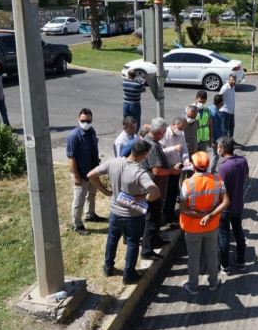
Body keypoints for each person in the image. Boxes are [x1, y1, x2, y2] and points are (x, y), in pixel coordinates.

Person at [89, 138, 161, 284]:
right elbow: (156, 193)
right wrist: (143, 197)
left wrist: (105, 191)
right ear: (144, 155)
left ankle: (108, 268)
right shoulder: (140, 173)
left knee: (112, 239)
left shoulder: (113, 162)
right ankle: (129, 275)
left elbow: (91, 175)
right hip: (133, 215)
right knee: (133, 243)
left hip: (115, 212)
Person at [179, 151, 230, 295]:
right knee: (212, 254)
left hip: (192, 228)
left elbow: (183, 209)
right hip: (212, 226)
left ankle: (193, 286)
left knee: (194, 257)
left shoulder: (187, 184)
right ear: (207, 165)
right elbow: (225, 201)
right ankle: (213, 282)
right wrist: (210, 215)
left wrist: (200, 215)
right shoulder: (218, 180)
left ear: (193, 166)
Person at [140, 117, 181, 260]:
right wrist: (171, 171)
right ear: (159, 132)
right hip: (153, 189)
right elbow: (157, 170)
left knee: (156, 219)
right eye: (163, 132)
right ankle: (147, 250)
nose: (164, 134)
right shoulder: (153, 146)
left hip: (154, 188)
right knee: (151, 220)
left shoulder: (147, 140)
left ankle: (156, 239)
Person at [66, 108, 105, 235]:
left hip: (92, 172)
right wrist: (76, 176)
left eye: (88, 120)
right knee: (79, 200)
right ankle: (77, 224)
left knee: (91, 194)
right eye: (83, 120)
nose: (85, 123)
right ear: (78, 120)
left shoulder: (91, 131)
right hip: (80, 174)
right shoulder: (74, 136)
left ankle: (90, 214)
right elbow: (71, 158)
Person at [217, 137, 249, 272]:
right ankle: (241, 261)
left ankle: (225, 265)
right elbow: (247, 177)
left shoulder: (223, 168)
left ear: (223, 149)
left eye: (219, 147)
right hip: (238, 205)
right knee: (238, 232)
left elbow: (220, 190)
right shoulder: (242, 161)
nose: (217, 149)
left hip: (225, 209)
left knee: (224, 237)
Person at [161, 117, 189, 226]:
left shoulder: (181, 134)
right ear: (173, 125)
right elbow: (160, 152)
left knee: (173, 192)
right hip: (166, 168)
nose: (181, 131)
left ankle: (170, 213)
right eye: (179, 128)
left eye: (183, 129)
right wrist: (174, 148)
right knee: (166, 193)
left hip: (177, 167)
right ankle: (164, 215)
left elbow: (184, 148)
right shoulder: (164, 134)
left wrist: (186, 159)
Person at [208, 94, 225, 173]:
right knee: (215, 156)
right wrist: (214, 141)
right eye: (223, 102)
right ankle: (212, 172)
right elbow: (214, 129)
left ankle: (212, 170)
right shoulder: (214, 113)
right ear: (220, 102)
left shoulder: (211, 107)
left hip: (216, 138)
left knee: (214, 155)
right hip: (216, 139)